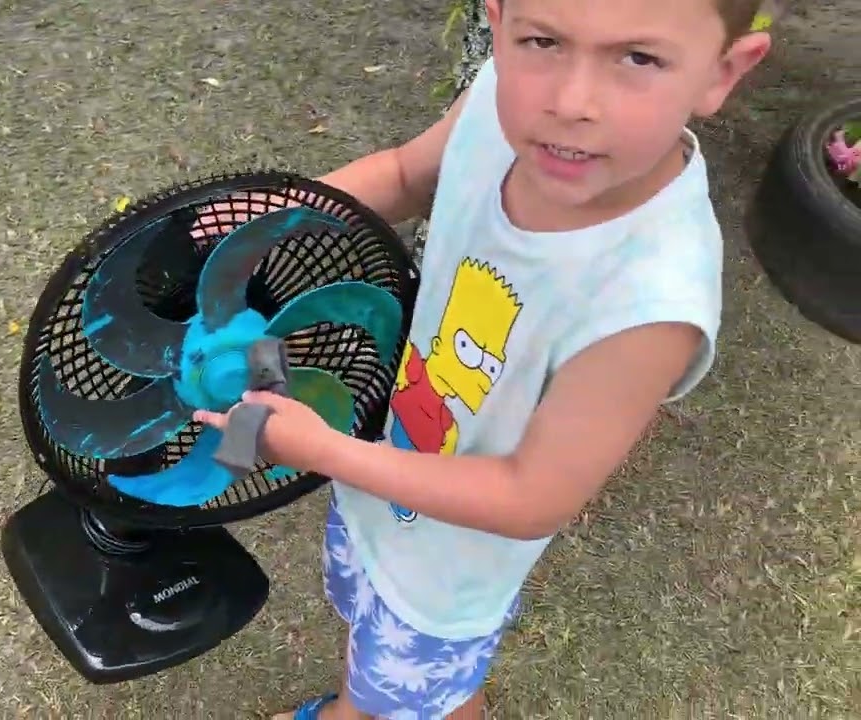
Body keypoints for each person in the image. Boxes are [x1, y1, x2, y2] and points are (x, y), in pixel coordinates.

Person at [193, 0, 772, 717]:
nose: (569, 102)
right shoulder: (501, 103)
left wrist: (326, 452)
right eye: (543, 41)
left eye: (638, 58)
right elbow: (407, 172)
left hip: (450, 564)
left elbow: (534, 497)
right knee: (384, 654)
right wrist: (263, 221)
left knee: (417, 671)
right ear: (497, 24)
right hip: (386, 477)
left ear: (723, 72)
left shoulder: (648, 302)